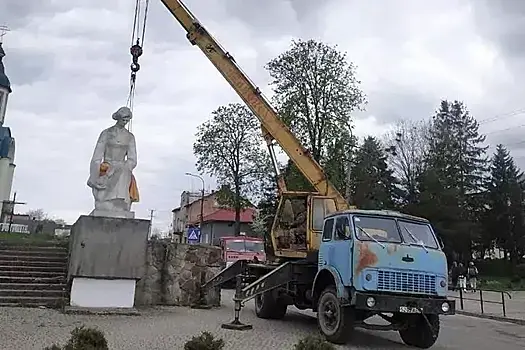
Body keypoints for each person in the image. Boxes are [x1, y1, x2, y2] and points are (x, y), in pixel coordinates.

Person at [87, 106, 140, 215]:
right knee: (109, 173)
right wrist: (95, 175)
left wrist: (126, 166)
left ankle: (120, 202)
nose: (125, 122)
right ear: (118, 118)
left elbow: (132, 159)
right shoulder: (106, 133)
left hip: (122, 167)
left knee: (124, 171)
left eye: (127, 120)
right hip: (107, 165)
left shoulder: (130, 137)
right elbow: (97, 155)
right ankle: (104, 201)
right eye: (123, 119)